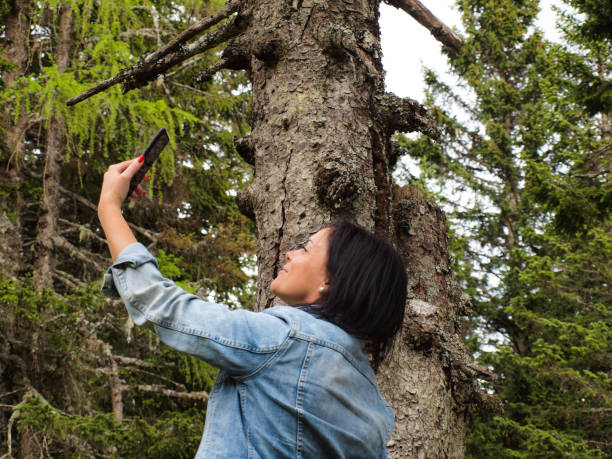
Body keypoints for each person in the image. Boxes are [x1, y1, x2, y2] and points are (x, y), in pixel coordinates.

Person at [98, 156, 407, 458]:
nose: (290, 254)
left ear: (332, 281)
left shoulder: (284, 340)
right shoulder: (375, 409)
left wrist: (110, 207)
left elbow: (163, 305)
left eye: (306, 249)